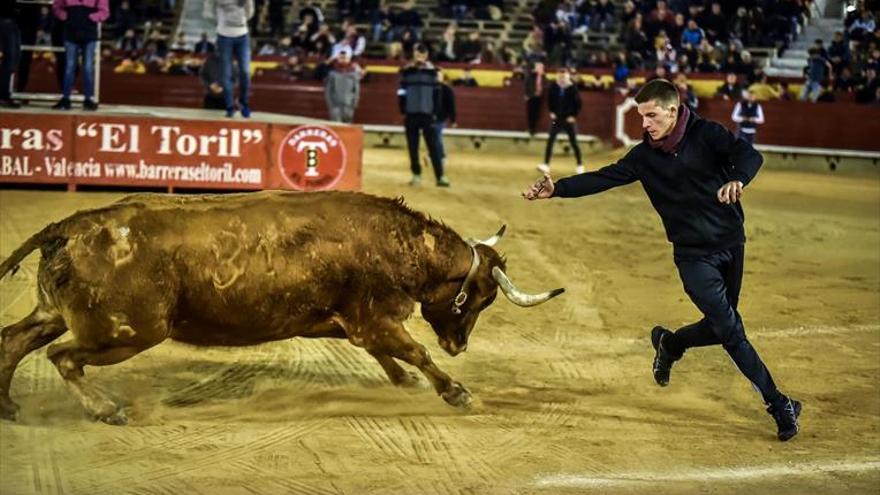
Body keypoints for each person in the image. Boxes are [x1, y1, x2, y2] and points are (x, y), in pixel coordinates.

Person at [522, 79, 802, 442]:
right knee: (731, 331)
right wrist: (557, 189)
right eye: (642, 117)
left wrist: (738, 178)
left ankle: (672, 344)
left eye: (651, 116)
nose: (645, 124)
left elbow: (751, 156)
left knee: (722, 326)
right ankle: (779, 405)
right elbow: (604, 178)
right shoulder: (643, 157)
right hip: (692, 256)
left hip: (732, 243)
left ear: (673, 110)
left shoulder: (708, 134)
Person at [398, 43, 449, 187]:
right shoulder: (406, 72)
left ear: (426, 56)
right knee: (412, 148)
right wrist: (403, 111)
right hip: (411, 114)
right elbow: (401, 93)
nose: (419, 57)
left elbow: (437, 95)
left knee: (433, 147)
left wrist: (435, 113)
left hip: (428, 115)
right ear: (414, 55)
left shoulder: (434, 72)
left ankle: (440, 176)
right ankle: (416, 175)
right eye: (417, 54)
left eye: (422, 54)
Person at [51, 0, 110, 111]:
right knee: (69, 67)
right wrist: (66, 16)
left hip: (89, 32)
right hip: (71, 32)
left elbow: (105, 12)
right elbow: (56, 7)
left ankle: (87, 99)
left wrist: (90, 18)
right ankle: (66, 99)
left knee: (87, 67)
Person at [204, 0, 254, 118]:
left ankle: (243, 103)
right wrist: (220, 22)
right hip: (224, 36)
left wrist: (241, 20)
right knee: (226, 73)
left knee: (245, 72)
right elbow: (207, 12)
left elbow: (250, 10)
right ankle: (230, 106)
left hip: (242, 35)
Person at [537, 67, 583, 175]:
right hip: (557, 118)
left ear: (567, 76)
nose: (562, 77)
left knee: (573, 142)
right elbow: (549, 100)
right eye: (560, 75)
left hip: (568, 119)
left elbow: (578, 104)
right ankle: (546, 165)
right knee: (550, 140)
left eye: (564, 75)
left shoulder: (572, 88)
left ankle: (580, 165)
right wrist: (551, 112)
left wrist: (573, 116)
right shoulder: (554, 86)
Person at [324, 47, 360, 123]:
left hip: (349, 105)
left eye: (345, 58)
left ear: (349, 59)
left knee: (347, 127)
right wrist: (331, 105)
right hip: (335, 105)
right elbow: (328, 91)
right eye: (341, 58)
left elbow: (356, 90)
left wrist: (354, 104)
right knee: (336, 126)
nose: (343, 60)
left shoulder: (354, 74)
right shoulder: (332, 74)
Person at [433, 70, 457, 170]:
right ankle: (436, 156)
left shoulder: (447, 89)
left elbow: (452, 106)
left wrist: (453, 120)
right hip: (431, 117)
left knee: (437, 136)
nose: (437, 78)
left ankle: (441, 157)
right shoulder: (431, 88)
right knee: (435, 137)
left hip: (441, 117)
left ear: (443, 77)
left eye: (439, 76)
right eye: (436, 76)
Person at [0, 0, 22, 108]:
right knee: (10, 59)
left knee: (13, 58)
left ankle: (4, 95)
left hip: (11, 20)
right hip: (6, 19)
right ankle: (3, 96)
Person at [524, 60, 546, 136]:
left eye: (541, 67)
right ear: (536, 68)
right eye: (539, 67)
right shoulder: (531, 75)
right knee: (531, 113)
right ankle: (531, 128)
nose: (541, 68)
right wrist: (526, 94)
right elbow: (526, 84)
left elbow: (546, 85)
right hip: (531, 96)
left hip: (539, 97)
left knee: (537, 114)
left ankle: (534, 129)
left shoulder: (543, 77)